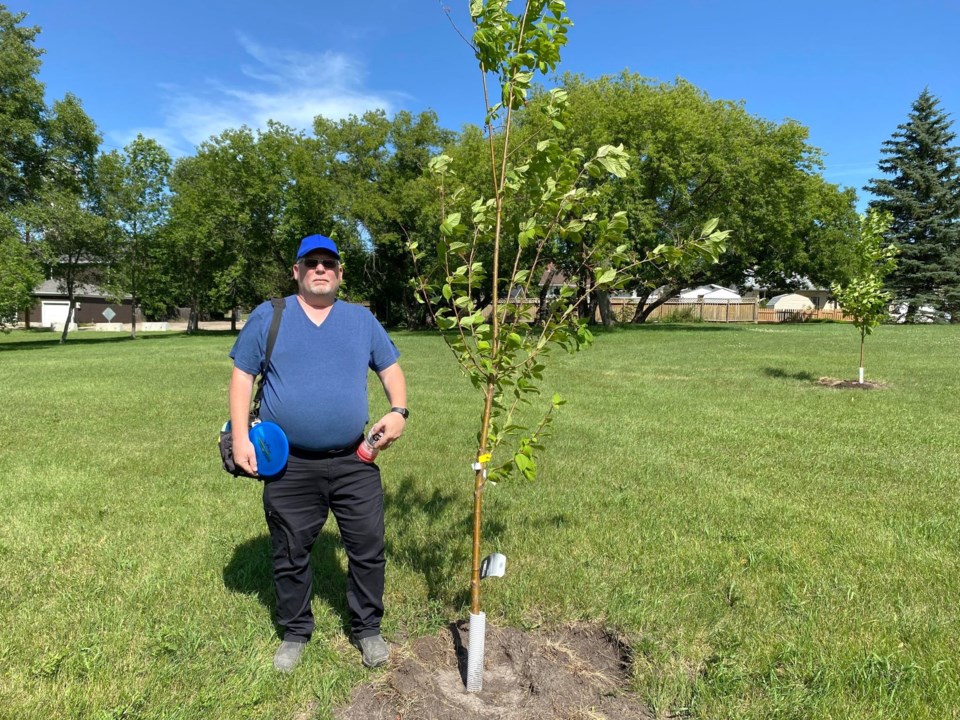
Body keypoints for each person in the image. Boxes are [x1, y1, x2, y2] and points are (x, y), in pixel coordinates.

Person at [228, 234, 408, 673]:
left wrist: (399, 410)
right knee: (290, 550)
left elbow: (391, 369)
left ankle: (367, 629)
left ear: (340, 272)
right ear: (297, 271)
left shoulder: (361, 320)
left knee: (367, 546)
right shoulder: (270, 316)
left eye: (329, 262)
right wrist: (239, 439)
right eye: (312, 263)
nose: (321, 269)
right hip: (288, 463)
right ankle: (295, 631)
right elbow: (242, 376)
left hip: (354, 459)